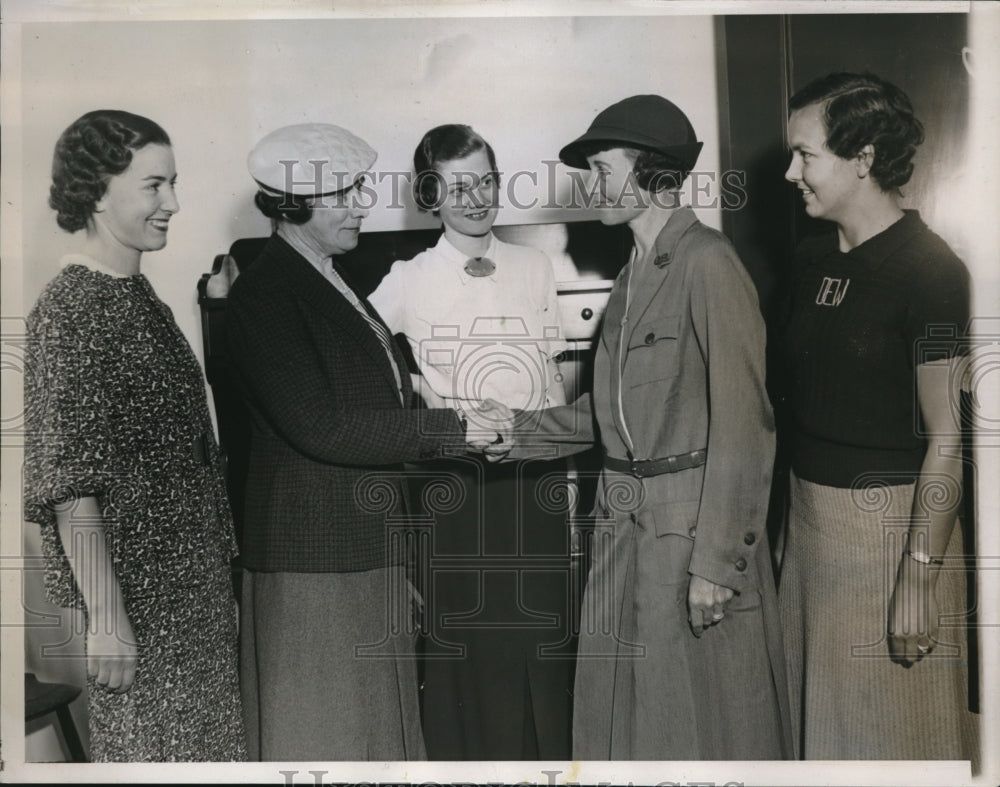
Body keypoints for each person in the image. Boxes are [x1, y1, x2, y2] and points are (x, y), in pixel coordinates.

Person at [505, 95, 792, 759]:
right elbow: (607, 417)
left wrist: (718, 563)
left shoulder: (709, 263)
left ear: (654, 172)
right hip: (622, 528)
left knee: (699, 726)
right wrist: (512, 432)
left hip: (689, 537)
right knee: (623, 724)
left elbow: (746, 426)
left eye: (603, 168)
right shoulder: (630, 279)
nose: (590, 184)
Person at [225, 122, 508, 761]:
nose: (362, 204)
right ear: (294, 206)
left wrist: (435, 401)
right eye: (343, 194)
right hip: (311, 562)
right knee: (330, 738)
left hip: (357, 546)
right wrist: (454, 428)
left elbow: (371, 393)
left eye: (359, 188)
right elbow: (321, 425)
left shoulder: (329, 274)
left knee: (374, 737)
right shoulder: (264, 294)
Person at [22, 110, 246, 761]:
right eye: (154, 185)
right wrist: (108, 618)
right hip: (137, 609)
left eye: (173, 182)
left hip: (189, 599)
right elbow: (68, 488)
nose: (173, 202)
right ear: (97, 190)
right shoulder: (69, 311)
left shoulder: (140, 297)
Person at [779, 72, 978, 761]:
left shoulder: (931, 272)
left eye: (805, 156)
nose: (789, 172)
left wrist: (918, 577)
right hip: (810, 534)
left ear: (862, 158)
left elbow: (950, 439)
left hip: (890, 535)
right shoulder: (808, 259)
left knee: (896, 740)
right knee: (823, 739)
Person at [368, 124, 573, 760]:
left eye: (485, 181)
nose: (476, 198)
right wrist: (434, 404)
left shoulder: (536, 266)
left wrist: (558, 472)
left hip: (533, 484)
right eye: (458, 186)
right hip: (456, 490)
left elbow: (558, 381)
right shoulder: (409, 276)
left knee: (544, 641)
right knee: (473, 648)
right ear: (432, 195)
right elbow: (363, 359)